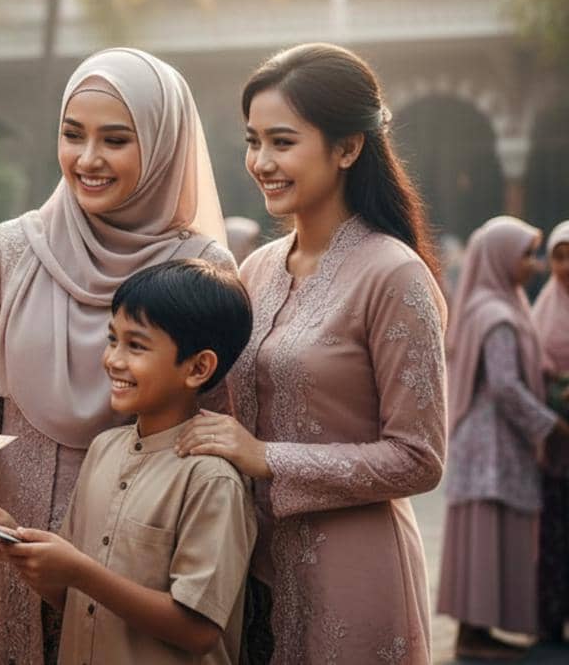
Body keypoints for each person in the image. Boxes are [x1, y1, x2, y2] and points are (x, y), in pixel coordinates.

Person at [0, 47, 234, 665]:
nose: (87, 160)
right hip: (8, 542)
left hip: (135, 562)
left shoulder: (203, 268)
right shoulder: (11, 249)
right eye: (72, 135)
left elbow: (212, 426)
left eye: (115, 140)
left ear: (163, 147)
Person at [177, 43, 448, 663]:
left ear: (348, 148)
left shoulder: (394, 276)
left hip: (356, 573)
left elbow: (420, 458)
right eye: (253, 142)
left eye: (282, 142)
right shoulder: (258, 269)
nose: (261, 162)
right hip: (254, 570)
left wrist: (265, 457)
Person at [0, 259, 256, 665]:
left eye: (136, 345)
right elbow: (74, 595)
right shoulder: (104, 450)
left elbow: (198, 630)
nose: (113, 359)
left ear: (198, 367)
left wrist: (80, 571)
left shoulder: (210, 478)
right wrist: (14, 543)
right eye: (112, 339)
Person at [436, 216, 569, 659]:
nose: (532, 265)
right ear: (500, 258)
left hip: (490, 442)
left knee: (484, 537)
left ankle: (477, 631)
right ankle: (473, 635)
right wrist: (551, 424)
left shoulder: (494, 304)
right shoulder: (497, 315)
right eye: (526, 255)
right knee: (484, 535)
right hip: (492, 444)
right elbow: (506, 385)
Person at [538, 220, 569, 643]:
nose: (565, 265)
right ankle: (550, 620)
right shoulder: (542, 307)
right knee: (555, 532)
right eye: (559, 255)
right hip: (555, 440)